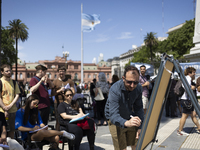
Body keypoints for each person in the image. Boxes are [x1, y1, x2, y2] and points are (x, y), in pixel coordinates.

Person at [105, 65, 144, 150]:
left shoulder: (138, 88)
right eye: (129, 82)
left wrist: (140, 127)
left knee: (136, 144)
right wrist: (126, 123)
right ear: (123, 78)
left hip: (129, 115)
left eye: (135, 82)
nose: (132, 85)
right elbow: (113, 114)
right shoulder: (115, 89)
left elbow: (139, 108)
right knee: (121, 147)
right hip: (115, 120)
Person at [177, 67, 200, 136]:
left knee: (193, 115)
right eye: (193, 72)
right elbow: (185, 88)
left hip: (187, 100)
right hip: (185, 99)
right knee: (184, 116)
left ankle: (199, 127)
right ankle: (180, 130)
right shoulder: (187, 78)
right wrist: (191, 88)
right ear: (189, 73)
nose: (195, 74)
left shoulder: (187, 78)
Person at [0, 64, 21, 139]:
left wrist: (10, 105)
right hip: (2, 111)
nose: (9, 72)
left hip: (13, 110)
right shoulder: (0, 82)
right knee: (3, 131)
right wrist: (4, 108)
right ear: (2, 72)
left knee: (12, 131)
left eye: (10, 70)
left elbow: (17, 95)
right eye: (7, 71)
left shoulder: (14, 82)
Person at [51, 66, 75, 131]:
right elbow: (52, 94)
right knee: (58, 120)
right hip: (57, 102)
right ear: (58, 72)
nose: (61, 73)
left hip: (67, 103)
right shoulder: (55, 82)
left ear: (65, 72)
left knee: (68, 119)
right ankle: (58, 135)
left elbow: (73, 91)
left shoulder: (69, 81)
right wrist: (59, 90)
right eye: (60, 71)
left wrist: (68, 92)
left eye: (63, 71)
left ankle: (68, 134)